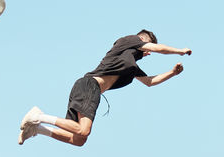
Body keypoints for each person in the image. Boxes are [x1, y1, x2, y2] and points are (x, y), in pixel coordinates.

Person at [18, 30, 192, 147]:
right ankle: (38, 116)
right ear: (142, 40)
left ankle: (38, 128)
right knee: (83, 130)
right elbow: (157, 48)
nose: (148, 54)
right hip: (89, 85)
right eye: (148, 50)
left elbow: (149, 82)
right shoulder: (129, 41)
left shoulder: (130, 65)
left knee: (79, 139)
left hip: (88, 89)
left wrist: (172, 73)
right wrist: (180, 51)